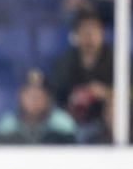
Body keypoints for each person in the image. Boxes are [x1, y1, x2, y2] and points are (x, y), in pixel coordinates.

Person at [46, 8, 113, 140]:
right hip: (71, 125)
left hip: (105, 129)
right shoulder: (66, 61)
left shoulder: (116, 60)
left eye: (93, 30)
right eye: (84, 31)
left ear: (102, 34)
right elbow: (53, 94)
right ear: (76, 35)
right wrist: (70, 105)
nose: (89, 36)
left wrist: (106, 93)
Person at [0, 73, 79, 143]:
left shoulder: (63, 125)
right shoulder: (5, 127)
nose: (34, 100)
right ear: (20, 96)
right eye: (30, 95)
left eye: (39, 95)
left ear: (49, 98)